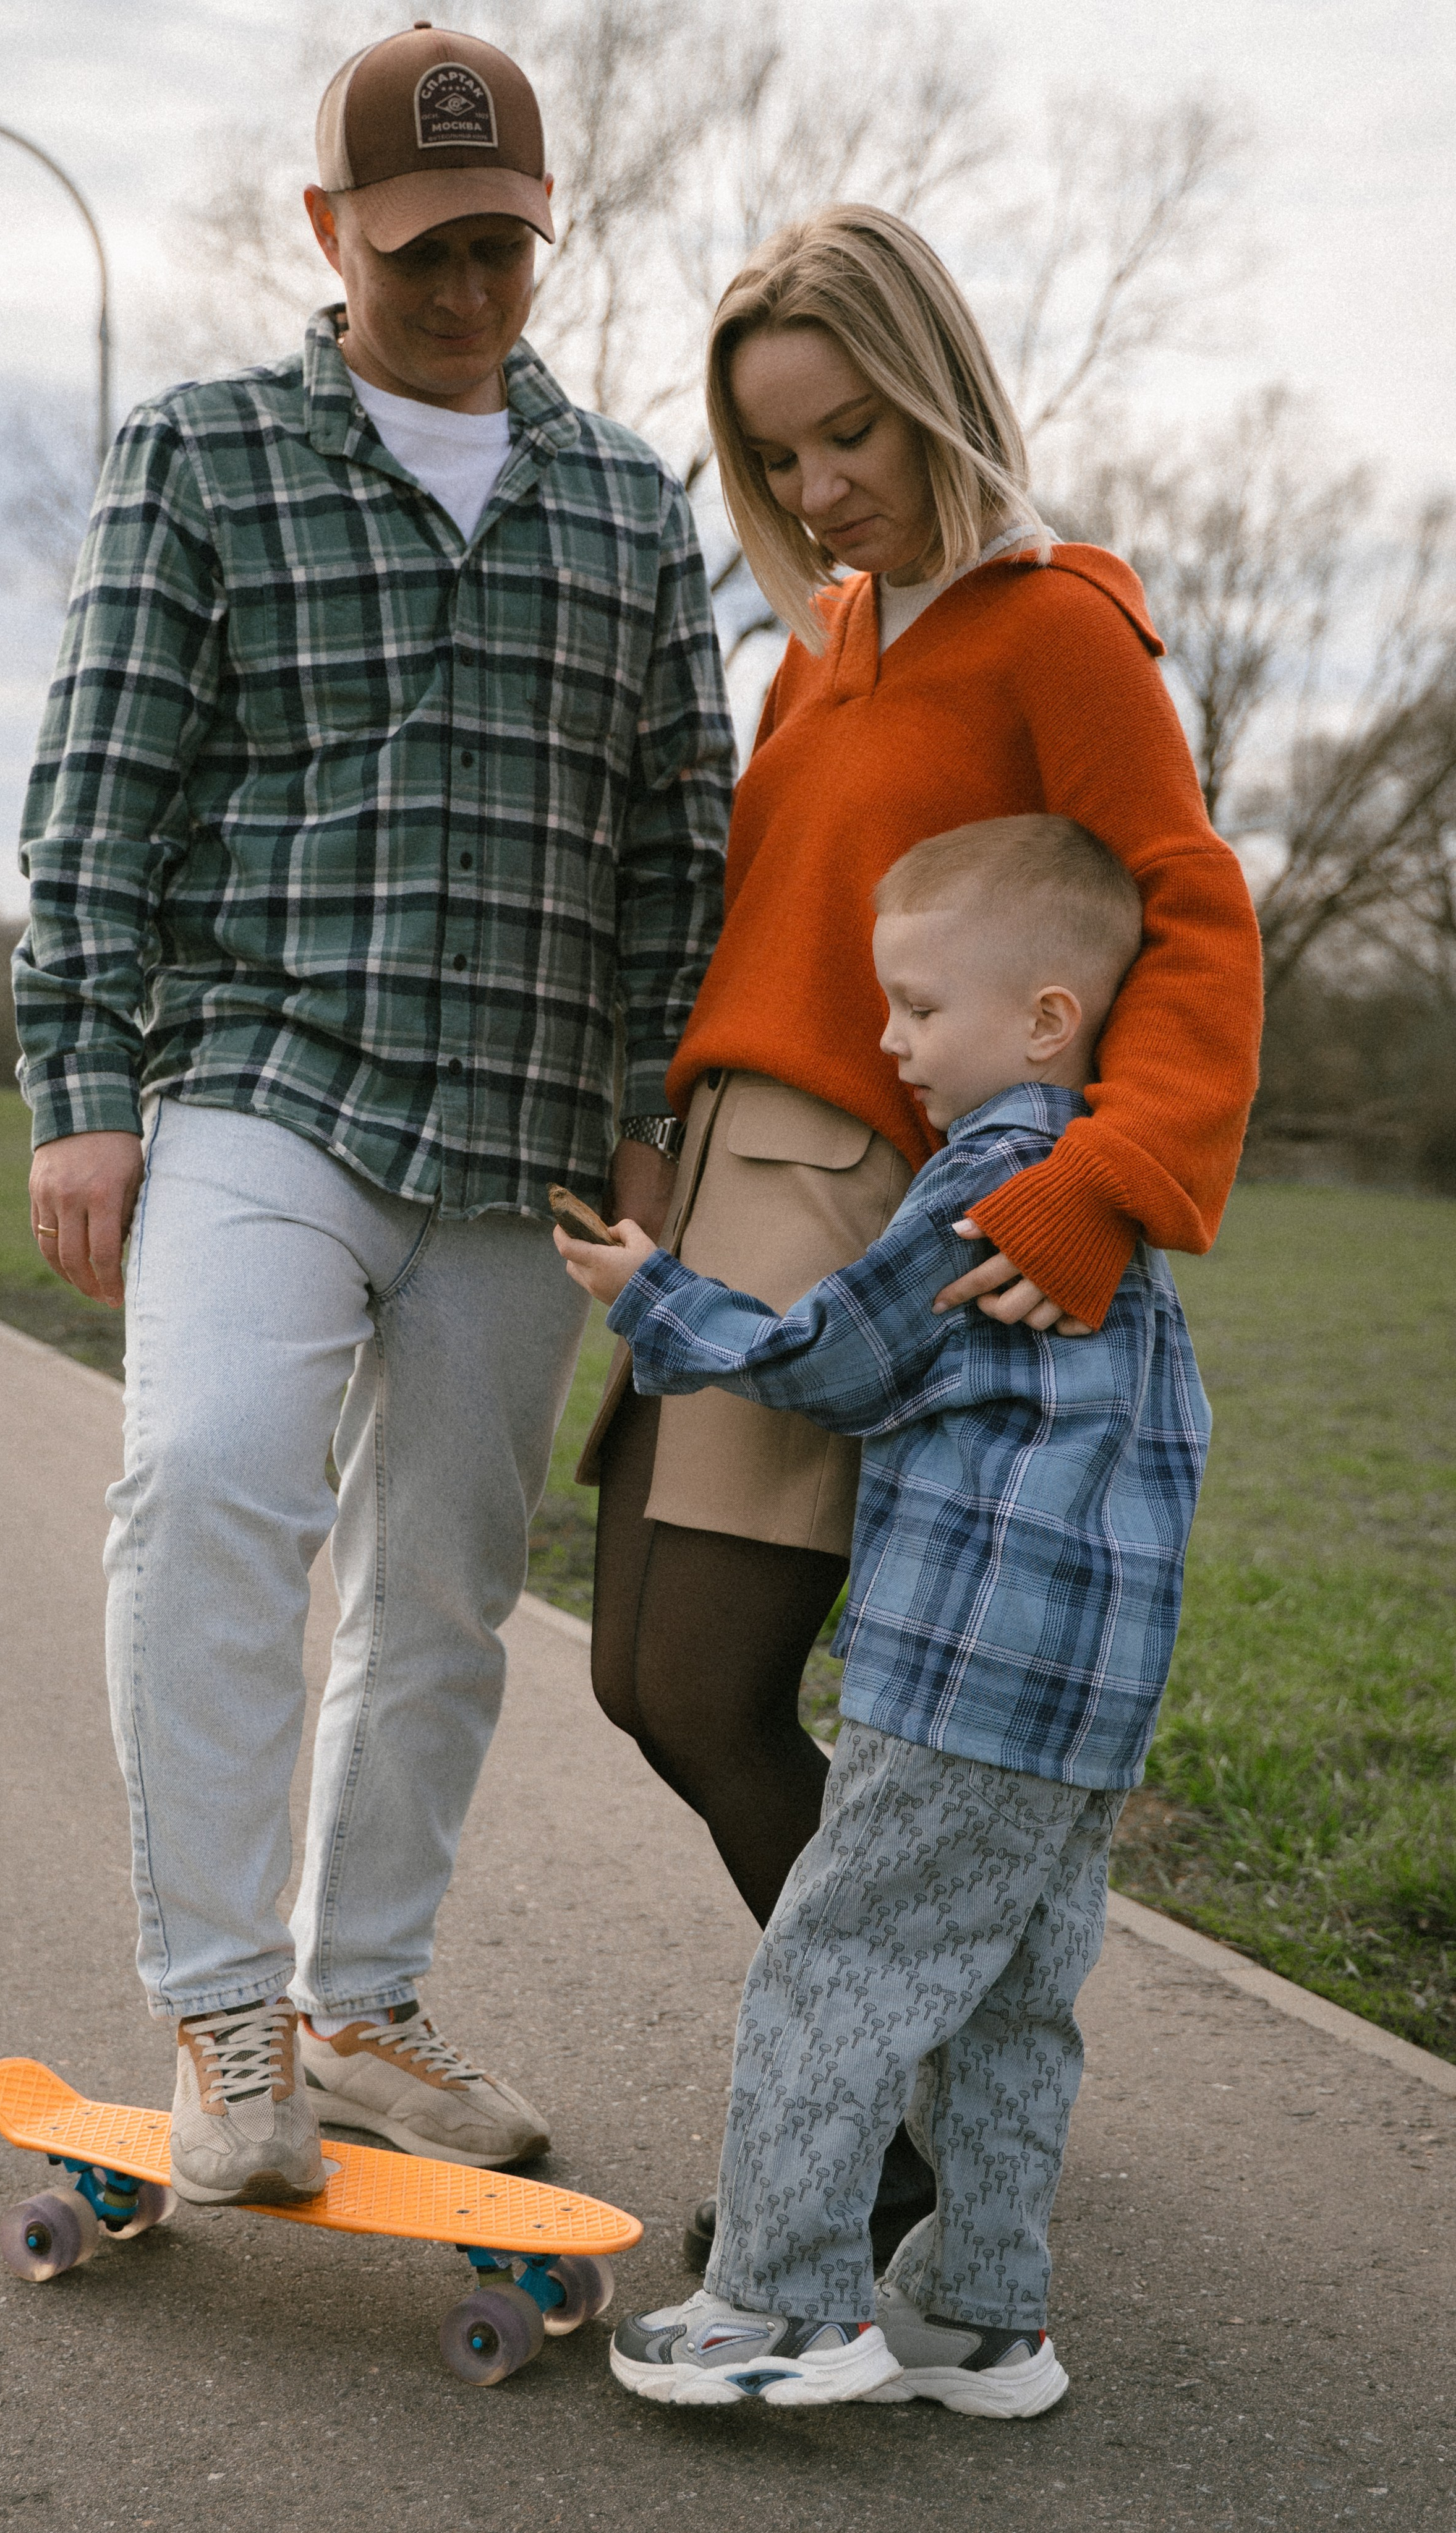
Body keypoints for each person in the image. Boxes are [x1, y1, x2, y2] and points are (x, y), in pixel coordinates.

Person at [14, 24, 732, 2205]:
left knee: (440, 1590)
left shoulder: (626, 499)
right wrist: (80, 1091)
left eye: (502, 246)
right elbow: (101, 797)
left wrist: (643, 1128)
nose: (464, 290)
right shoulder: (203, 456)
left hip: (523, 1125)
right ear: (330, 231)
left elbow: (676, 843)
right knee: (216, 1479)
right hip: (267, 1080)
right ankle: (226, 2007)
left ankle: (361, 1997)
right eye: (422, 249)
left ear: (543, 240)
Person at [579, 203, 1260, 2265]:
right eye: (778, 455)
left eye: (851, 432)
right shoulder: (822, 648)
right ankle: (938, 2088)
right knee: (633, 1676)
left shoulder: (1058, 622)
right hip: (730, 1176)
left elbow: (1188, 911)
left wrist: (1100, 1181)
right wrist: (653, 1145)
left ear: (941, 386)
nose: (818, 488)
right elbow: (766, 940)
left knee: (705, 1686)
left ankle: (879, 2128)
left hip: (870, 1206)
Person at [556, 813, 1211, 2411]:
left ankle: (783, 2302)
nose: (889, 1039)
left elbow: (840, 1359)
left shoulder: (996, 1171)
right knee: (1010, 2003)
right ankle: (981, 2314)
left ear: (1048, 1017)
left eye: (920, 1006)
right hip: (1089, 1696)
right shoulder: (1109, 1205)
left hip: (961, 1668)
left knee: (833, 1968)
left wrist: (655, 1291)